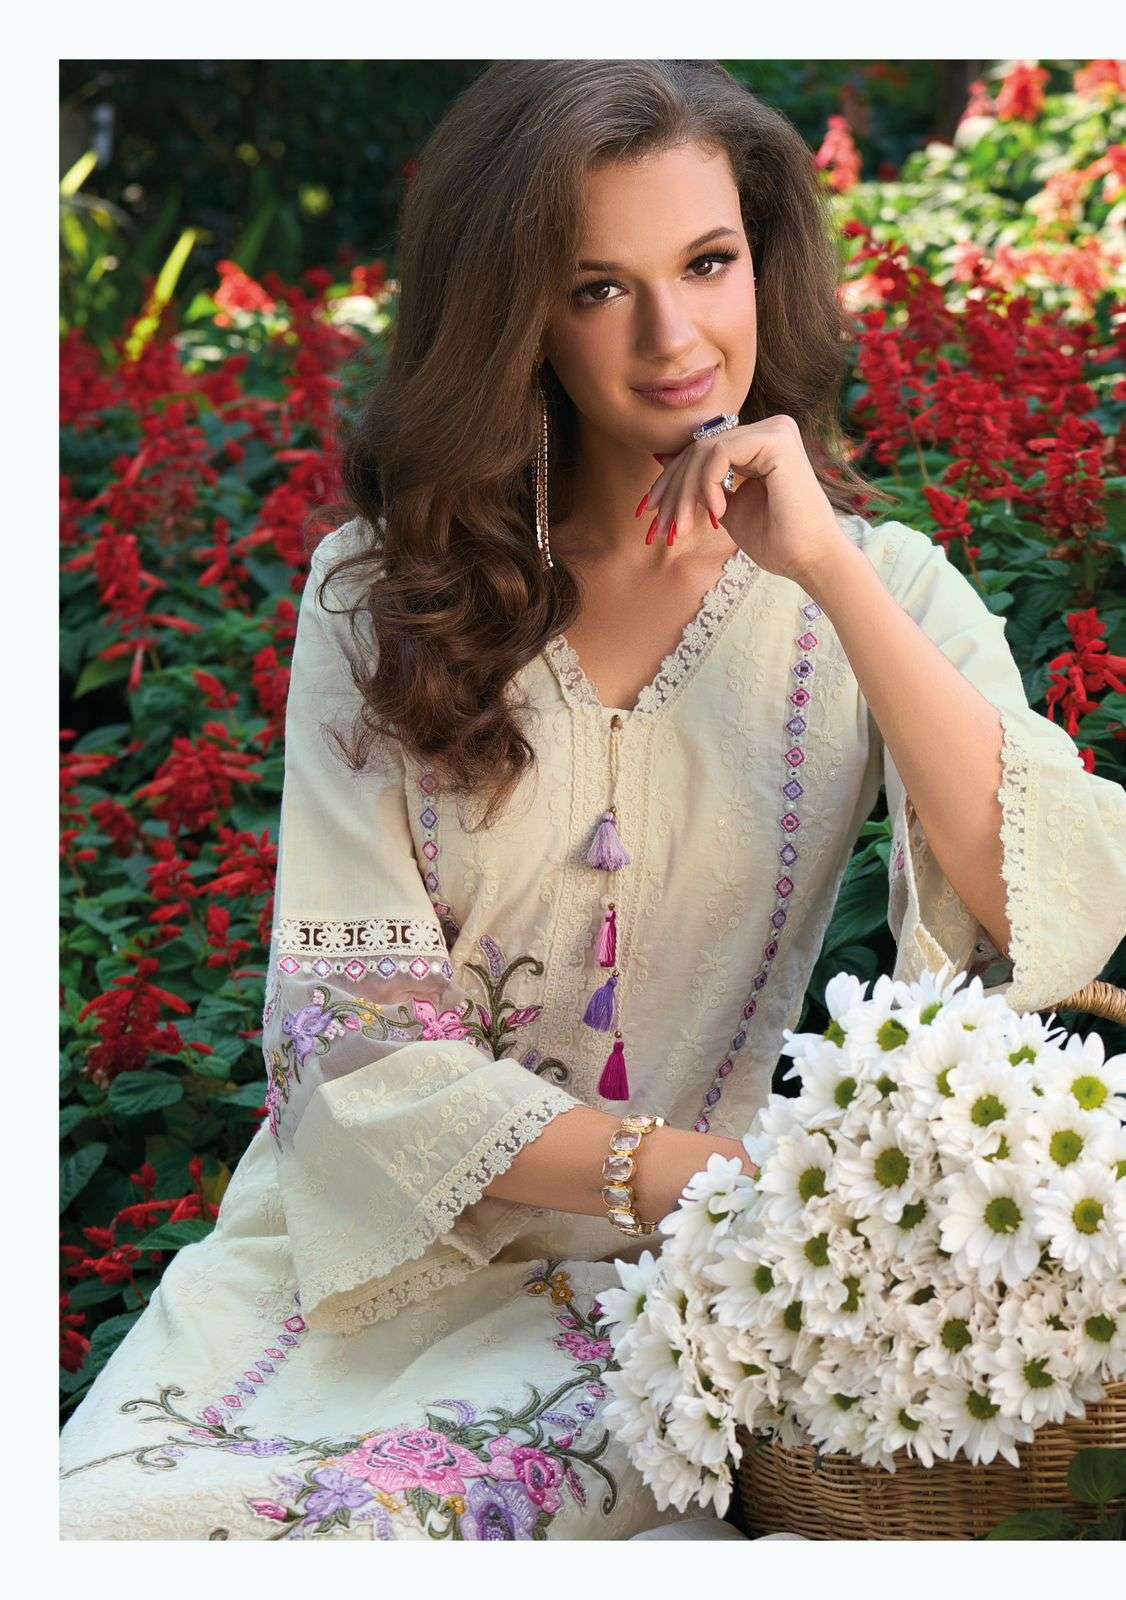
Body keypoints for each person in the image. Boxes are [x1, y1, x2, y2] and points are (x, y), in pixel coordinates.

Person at [59, 58, 1126, 1542]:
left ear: (764, 261)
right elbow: (352, 1042)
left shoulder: (882, 588)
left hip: (659, 1304)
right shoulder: (378, 597)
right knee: (110, 1528)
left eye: (708, 263)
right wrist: (732, 1180)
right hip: (346, 1263)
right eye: (597, 289)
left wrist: (829, 568)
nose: (674, 338)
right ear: (516, 319)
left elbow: (1057, 907)